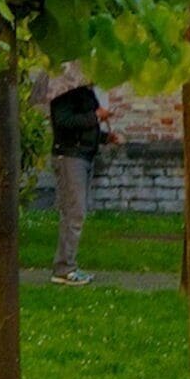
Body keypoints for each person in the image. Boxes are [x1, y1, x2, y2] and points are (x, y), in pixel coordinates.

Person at [47, 80, 113, 285]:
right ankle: (65, 268)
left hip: (83, 155)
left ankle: (66, 265)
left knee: (74, 212)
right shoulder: (64, 96)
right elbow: (64, 122)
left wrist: (104, 138)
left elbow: (84, 129)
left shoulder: (86, 93)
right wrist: (95, 116)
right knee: (75, 211)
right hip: (70, 156)